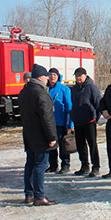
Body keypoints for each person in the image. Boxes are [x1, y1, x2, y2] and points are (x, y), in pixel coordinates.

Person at [18, 64, 58, 206]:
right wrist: (52, 137)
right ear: (41, 77)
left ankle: (29, 194)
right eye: (46, 77)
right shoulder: (41, 93)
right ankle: (39, 196)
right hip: (41, 135)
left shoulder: (24, 92)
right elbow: (47, 117)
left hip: (29, 134)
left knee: (30, 164)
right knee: (40, 166)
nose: (48, 79)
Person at [70, 67, 102, 177]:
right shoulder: (74, 89)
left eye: (80, 76)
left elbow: (98, 104)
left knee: (92, 144)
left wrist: (95, 118)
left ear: (85, 76)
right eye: (76, 76)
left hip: (89, 121)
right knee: (80, 145)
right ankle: (84, 166)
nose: (78, 78)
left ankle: (96, 166)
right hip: (78, 120)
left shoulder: (92, 87)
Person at [47, 68, 74, 174]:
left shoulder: (64, 89)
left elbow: (69, 107)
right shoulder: (46, 89)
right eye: (50, 75)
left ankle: (65, 165)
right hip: (49, 123)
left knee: (63, 145)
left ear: (58, 76)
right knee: (51, 145)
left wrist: (69, 124)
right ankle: (53, 165)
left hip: (61, 122)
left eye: (54, 75)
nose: (52, 77)